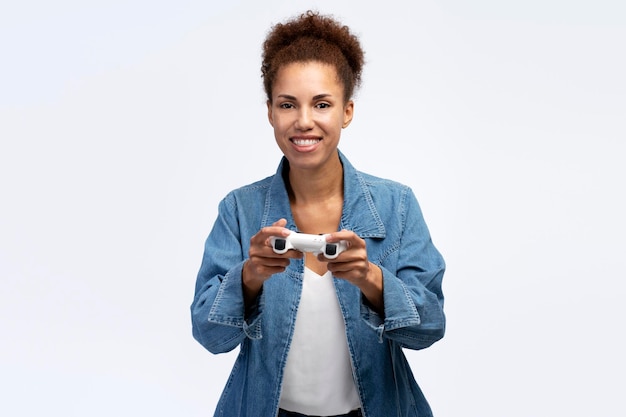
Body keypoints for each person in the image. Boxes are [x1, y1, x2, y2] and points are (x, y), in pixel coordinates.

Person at [191, 10, 446, 417]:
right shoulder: (240, 209)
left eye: (322, 104)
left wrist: (370, 278)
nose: (304, 121)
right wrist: (250, 276)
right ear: (271, 112)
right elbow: (209, 336)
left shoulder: (395, 206)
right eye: (288, 104)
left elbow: (430, 328)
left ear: (346, 111)